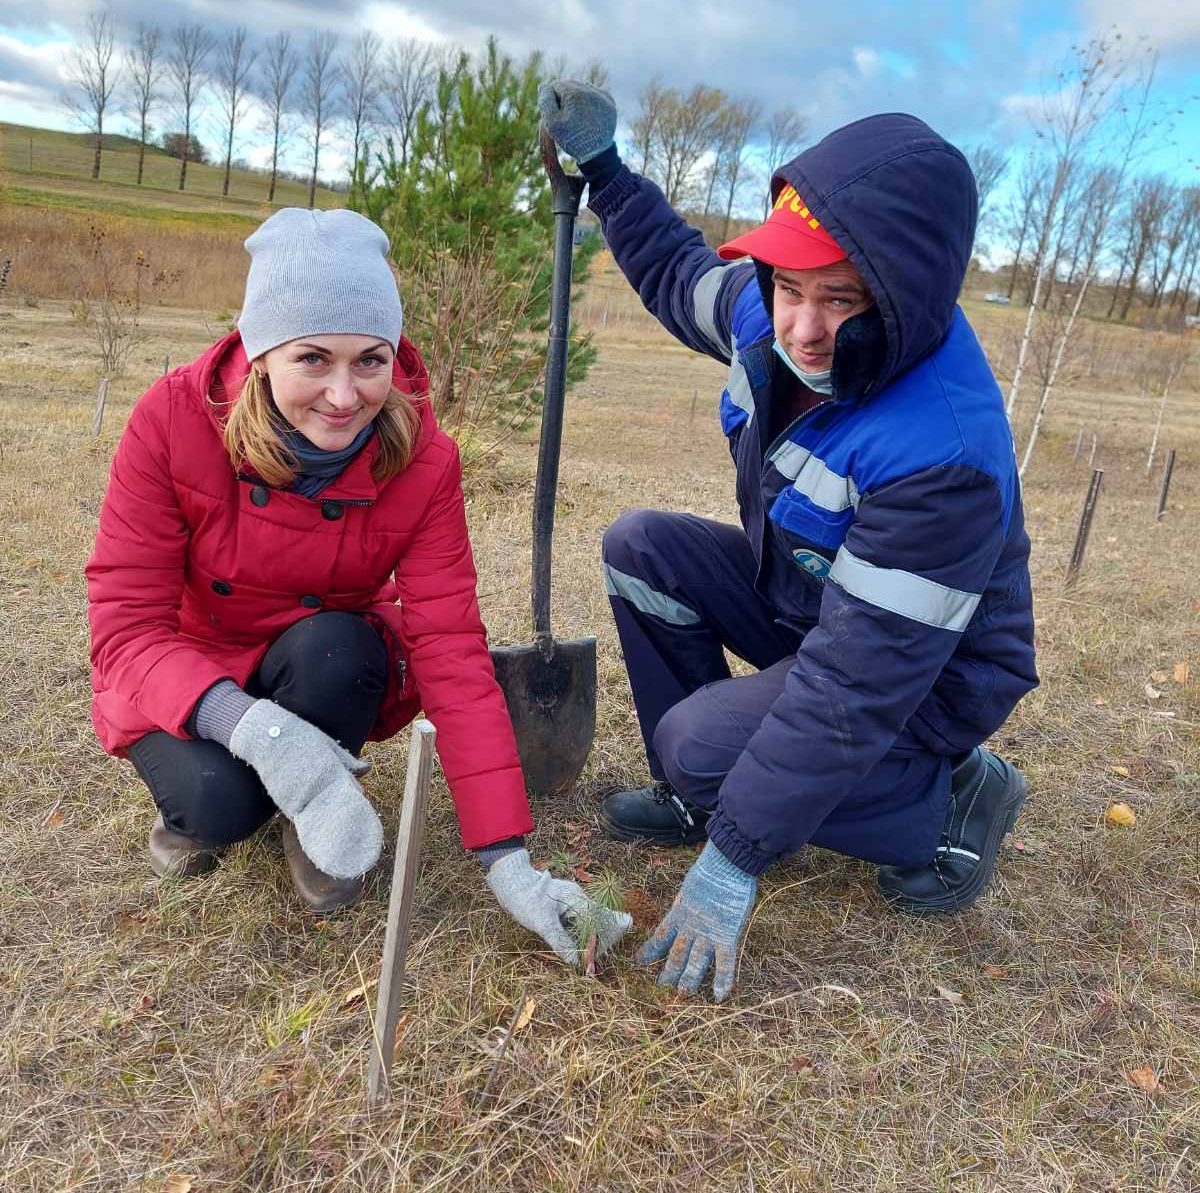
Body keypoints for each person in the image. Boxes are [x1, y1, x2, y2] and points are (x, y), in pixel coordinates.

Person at [537, 81, 1038, 1003]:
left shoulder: (942, 453)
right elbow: (678, 274)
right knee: (639, 546)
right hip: (811, 599)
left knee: (698, 742)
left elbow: (856, 683)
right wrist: (605, 173)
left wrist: (739, 858)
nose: (801, 327)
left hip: (926, 677)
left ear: (902, 293)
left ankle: (948, 802)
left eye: (839, 298)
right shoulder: (771, 311)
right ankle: (706, 788)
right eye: (789, 286)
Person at [86, 207, 630, 967]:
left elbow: (450, 648)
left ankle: (312, 810)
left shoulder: (426, 459)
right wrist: (259, 732)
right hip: (188, 668)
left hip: (317, 661)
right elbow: (125, 632)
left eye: (370, 361)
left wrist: (510, 863)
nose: (344, 396)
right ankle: (266, 792)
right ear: (261, 351)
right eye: (313, 359)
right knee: (217, 806)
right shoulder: (170, 420)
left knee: (341, 647)